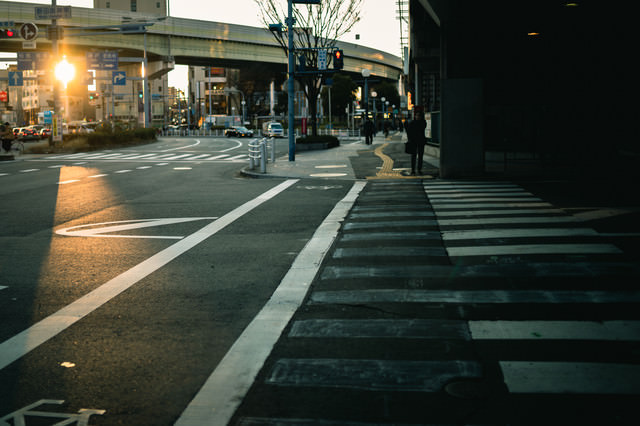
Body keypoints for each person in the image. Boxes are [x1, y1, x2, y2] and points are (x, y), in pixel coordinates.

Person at [406, 106, 427, 175]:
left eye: (419, 116)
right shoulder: (414, 123)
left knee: (420, 156)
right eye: (416, 115)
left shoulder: (422, 122)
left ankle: (419, 169)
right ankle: (413, 169)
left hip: (420, 141)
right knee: (414, 156)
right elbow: (408, 132)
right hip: (414, 141)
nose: (417, 117)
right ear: (415, 116)